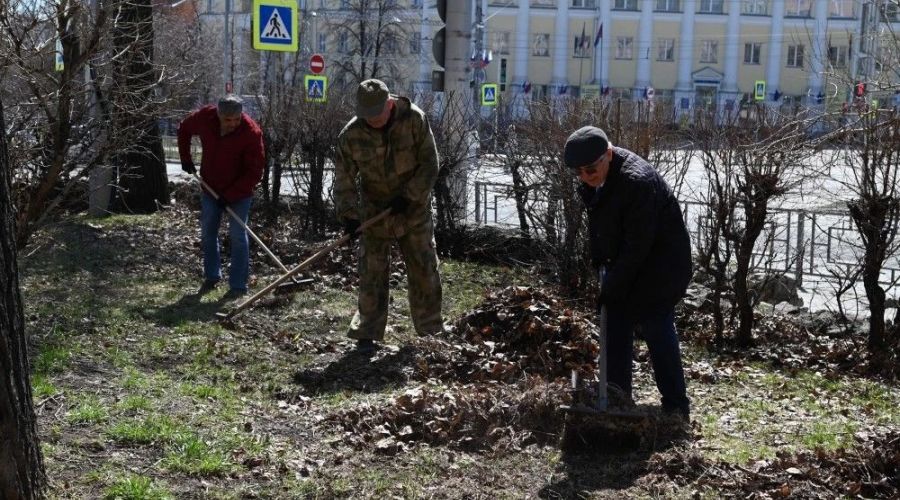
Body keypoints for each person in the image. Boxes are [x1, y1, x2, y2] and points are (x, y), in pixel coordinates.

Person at [564, 126, 692, 419]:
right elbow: (603, 227)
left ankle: (676, 407)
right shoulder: (594, 179)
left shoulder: (638, 183)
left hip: (662, 266)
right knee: (615, 324)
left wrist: (612, 284)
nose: (585, 176)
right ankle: (617, 399)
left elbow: (638, 245)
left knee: (656, 326)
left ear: (608, 154)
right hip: (629, 261)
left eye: (590, 169)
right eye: (579, 172)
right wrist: (601, 265)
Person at [334, 79, 443, 353]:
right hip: (375, 213)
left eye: (376, 115)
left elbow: (430, 163)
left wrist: (410, 196)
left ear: (390, 104)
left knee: (423, 268)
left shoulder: (414, 120)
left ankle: (430, 329)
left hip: (413, 210)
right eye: (366, 116)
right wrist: (349, 216)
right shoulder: (352, 135)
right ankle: (367, 330)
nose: (371, 121)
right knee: (371, 272)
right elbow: (344, 179)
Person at [177, 95, 265, 298]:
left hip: (239, 194)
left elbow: (254, 172)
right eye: (228, 120)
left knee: (238, 236)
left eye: (236, 119)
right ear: (218, 115)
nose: (233, 124)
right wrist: (185, 157)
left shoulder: (251, 133)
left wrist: (231, 194)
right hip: (210, 187)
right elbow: (184, 129)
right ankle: (212, 275)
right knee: (208, 232)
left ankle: (238, 285)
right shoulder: (205, 118)